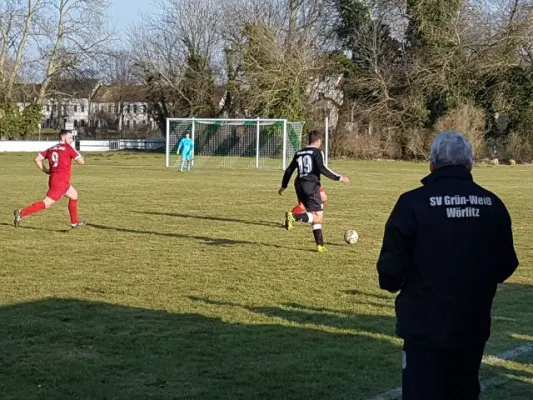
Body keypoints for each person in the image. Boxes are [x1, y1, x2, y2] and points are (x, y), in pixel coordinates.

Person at [376, 131, 519, 399]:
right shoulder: (492, 204)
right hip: (471, 325)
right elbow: (506, 265)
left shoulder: (412, 203)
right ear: (470, 163)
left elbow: (389, 274)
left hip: (423, 327)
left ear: (432, 164)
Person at [279, 130, 349, 252]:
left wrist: (284, 185)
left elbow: (289, 170)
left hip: (299, 184)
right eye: (320, 142)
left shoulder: (299, 153)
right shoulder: (317, 152)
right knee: (318, 217)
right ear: (318, 141)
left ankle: (320, 245)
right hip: (311, 186)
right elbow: (323, 168)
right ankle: (294, 216)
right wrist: (340, 178)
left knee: (316, 215)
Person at [14, 129, 85, 229]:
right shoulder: (68, 148)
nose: (72, 139)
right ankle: (21, 213)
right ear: (63, 137)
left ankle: (74, 223)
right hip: (60, 182)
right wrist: (75, 151)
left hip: (55, 179)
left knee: (74, 195)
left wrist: (46, 170)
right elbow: (81, 161)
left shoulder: (51, 149)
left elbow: (37, 159)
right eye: (70, 137)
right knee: (46, 203)